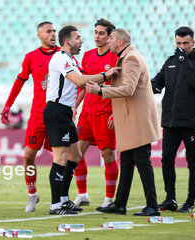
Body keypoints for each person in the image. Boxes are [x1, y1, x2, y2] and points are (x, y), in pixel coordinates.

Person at [43, 25, 120, 215]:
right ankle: (55, 205)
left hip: (65, 112)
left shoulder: (71, 59)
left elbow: (82, 79)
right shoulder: (61, 58)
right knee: (60, 158)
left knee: (75, 156)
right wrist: (105, 75)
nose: (82, 41)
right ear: (68, 41)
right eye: (78, 38)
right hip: (56, 111)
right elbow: (79, 81)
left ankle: (63, 199)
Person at [86, 28, 161, 216]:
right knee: (127, 162)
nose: (107, 41)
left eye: (110, 38)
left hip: (137, 118)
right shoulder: (126, 56)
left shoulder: (131, 58)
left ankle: (152, 205)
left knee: (142, 161)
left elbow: (128, 89)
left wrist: (100, 90)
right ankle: (120, 204)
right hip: (130, 117)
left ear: (120, 42)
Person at [0, 21, 59, 212]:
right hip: (38, 115)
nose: (53, 34)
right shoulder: (31, 58)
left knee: (65, 157)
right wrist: (8, 105)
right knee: (28, 155)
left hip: (58, 114)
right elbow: (19, 82)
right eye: (49, 31)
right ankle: (32, 194)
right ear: (39, 35)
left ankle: (65, 197)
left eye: (54, 31)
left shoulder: (63, 55)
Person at [151, 26, 195, 213]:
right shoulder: (170, 61)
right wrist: (146, 84)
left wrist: (184, 60)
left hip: (192, 121)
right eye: (178, 43)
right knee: (167, 159)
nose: (181, 47)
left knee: (194, 162)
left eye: (185, 43)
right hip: (170, 120)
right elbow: (157, 81)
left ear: (193, 42)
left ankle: (190, 201)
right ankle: (170, 199)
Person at [73, 18, 119, 210]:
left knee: (107, 155)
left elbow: (122, 88)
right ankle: (82, 194)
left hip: (106, 113)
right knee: (75, 154)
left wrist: (116, 113)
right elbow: (84, 85)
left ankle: (109, 199)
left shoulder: (116, 58)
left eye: (102, 33)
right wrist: (75, 106)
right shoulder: (88, 55)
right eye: (95, 32)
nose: (97, 36)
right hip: (87, 113)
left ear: (110, 37)